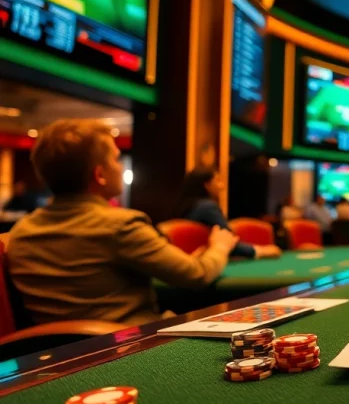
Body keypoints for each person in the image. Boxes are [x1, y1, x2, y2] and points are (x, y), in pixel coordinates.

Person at [6, 119, 239, 325]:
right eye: (116, 159)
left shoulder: (19, 233)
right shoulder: (121, 225)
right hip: (128, 349)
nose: (120, 167)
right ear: (100, 175)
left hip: (52, 359)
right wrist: (220, 246)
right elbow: (196, 275)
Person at [175, 169, 281, 260]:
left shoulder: (186, 206)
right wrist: (260, 251)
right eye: (218, 180)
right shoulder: (207, 207)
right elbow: (228, 241)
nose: (222, 186)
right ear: (207, 185)